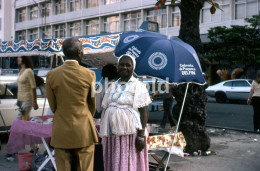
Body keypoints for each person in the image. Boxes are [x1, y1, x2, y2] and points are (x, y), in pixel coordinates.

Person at [46, 37, 98, 171]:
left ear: (63, 53)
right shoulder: (89, 74)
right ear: (80, 53)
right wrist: (85, 116)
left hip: (61, 130)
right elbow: (92, 104)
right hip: (84, 130)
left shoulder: (51, 75)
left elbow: (53, 106)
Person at [100, 54, 151, 171]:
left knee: (127, 162)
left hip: (129, 134)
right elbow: (105, 106)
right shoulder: (113, 85)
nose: (124, 67)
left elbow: (143, 112)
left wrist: (141, 136)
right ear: (117, 67)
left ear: (133, 67)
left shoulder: (139, 86)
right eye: (121, 65)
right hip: (112, 134)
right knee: (114, 162)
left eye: (128, 65)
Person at [5, 56, 39, 157]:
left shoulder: (29, 71)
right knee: (26, 125)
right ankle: (34, 146)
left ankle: (12, 149)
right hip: (20, 101)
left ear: (23, 59)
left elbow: (33, 87)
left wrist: (35, 102)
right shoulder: (20, 70)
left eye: (19, 58)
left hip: (28, 101)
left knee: (16, 124)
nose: (17, 59)